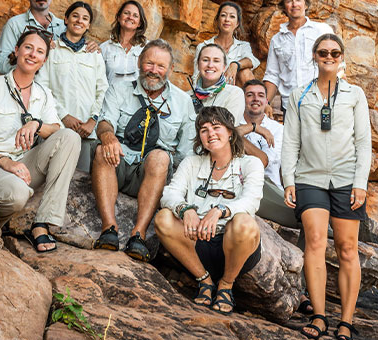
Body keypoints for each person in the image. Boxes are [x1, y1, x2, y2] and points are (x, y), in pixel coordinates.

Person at [282, 33, 371, 339]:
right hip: (309, 178)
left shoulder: (355, 94)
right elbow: (290, 142)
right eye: (323, 52)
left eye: (335, 52)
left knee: (347, 248)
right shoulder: (299, 96)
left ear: (342, 56)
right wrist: (288, 180)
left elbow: (363, 142)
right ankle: (319, 317)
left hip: (347, 180)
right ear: (314, 56)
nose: (329, 56)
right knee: (316, 241)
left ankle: (346, 322)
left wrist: (361, 183)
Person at [0, 29, 81, 252]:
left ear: (44, 60)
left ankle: (41, 223)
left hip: (21, 166)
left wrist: (36, 124)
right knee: (17, 194)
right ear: (16, 51)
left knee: (70, 137)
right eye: (28, 47)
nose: (33, 54)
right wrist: (4, 162)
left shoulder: (43, 94)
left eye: (40, 51)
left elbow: (56, 128)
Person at [92, 39, 196, 262]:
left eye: (161, 66)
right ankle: (109, 229)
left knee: (160, 157)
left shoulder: (182, 101)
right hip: (118, 163)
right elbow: (104, 121)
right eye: (149, 63)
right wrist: (108, 136)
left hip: (153, 174)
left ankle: (137, 235)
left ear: (170, 69)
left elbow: (186, 152)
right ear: (139, 62)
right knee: (102, 149)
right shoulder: (120, 88)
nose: (154, 71)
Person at [156, 106, 263, 314]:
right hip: (197, 243)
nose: (210, 133)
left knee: (245, 222)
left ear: (231, 132)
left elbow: (252, 201)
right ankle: (204, 281)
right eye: (204, 130)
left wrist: (220, 210)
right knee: (163, 218)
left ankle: (226, 285)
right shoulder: (192, 162)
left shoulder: (251, 163)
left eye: (216, 127)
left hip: (234, 246)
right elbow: (170, 193)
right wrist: (186, 209)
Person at [36, 1, 108, 173]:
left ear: (88, 25)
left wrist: (93, 120)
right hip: (56, 127)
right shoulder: (51, 50)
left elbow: (102, 90)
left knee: (79, 183)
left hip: (86, 132)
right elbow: (42, 87)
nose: (79, 21)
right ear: (66, 19)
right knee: (49, 175)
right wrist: (64, 116)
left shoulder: (95, 54)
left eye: (85, 18)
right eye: (75, 16)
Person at [0, 0, 99, 74]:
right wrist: (31, 64)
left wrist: (92, 48)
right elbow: (2, 65)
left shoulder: (64, 27)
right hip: (25, 87)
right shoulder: (15, 24)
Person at [263, 0, 333, 118]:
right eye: (289, 1)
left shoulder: (322, 30)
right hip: (290, 105)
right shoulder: (277, 40)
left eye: (298, 0)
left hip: (319, 102)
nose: (294, 4)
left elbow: (338, 66)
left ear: (306, 4)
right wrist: (266, 102)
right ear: (284, 8)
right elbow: (272, 75)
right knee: (293, 140)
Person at [234, 80, 294, 228]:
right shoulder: (233, 121)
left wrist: (238, 135)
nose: (255, 99)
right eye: (250, 95)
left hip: (267, 188)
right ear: (243, 99)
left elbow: (262, 162)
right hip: (237, 184)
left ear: (266, 101)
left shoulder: (277, 129)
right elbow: (226, 133)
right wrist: (254, 128)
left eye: (260, 95)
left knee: (306, 214)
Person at [193, 1, 260, 86]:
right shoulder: (203, 46)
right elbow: (196, 77)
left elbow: (252, 61)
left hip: (234, 93)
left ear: (237, 23)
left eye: (232, 16)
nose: (227, 19)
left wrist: (235, 64)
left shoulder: (243, 46)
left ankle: (253, 98)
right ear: (217, 20)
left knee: (245, 72)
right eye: (223, 15)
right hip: (211, 92)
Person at [187, 44, 245, 124]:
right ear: (198, 65)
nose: (210, 65)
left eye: (216, 61)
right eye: (205, 60)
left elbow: (228, 129)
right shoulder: (186, 97)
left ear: (224, 67)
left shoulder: (234, 94)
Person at [100, 0, 147, 85]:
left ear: (139, 23)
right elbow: (99, 80)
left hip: (137, 98)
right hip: (111, 97)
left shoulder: (147, 48)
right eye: (126, 13)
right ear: (118, 17)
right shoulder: (105, 47)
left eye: (135, 15)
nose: (130, 17)